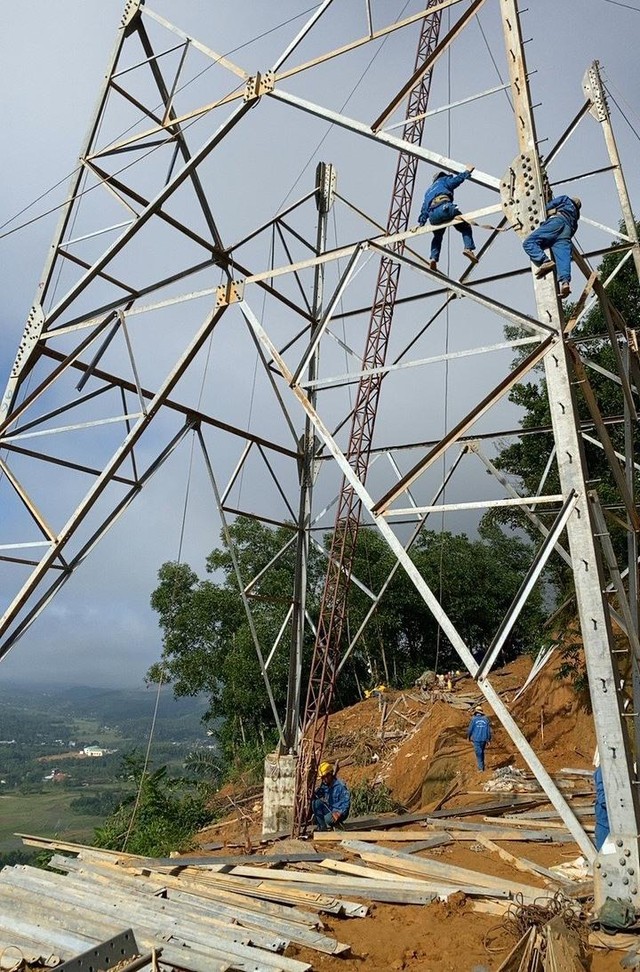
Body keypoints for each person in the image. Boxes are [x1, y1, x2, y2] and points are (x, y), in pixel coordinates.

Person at [418, 165, 478, 272]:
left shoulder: (428, 192)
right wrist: (467, 171)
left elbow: (424, 210)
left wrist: (421, 223)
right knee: (465, 227)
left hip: (433, 215)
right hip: (445, 208)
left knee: (437, 236)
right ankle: (468, 248)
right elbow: (457, 180)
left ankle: (433, 258)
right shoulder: (444, 181)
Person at [522, 195, 581, 299]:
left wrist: (542, 212)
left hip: (557, 222)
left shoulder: (566, 199)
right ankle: (565, 282)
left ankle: (545, 260)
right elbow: (572, 232)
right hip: (566, 232)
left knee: (529, 243)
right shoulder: (575, 220)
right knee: (563, 257)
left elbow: (548, 206)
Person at [312, 761, 351, 831]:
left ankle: (337, 824)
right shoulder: (325, 785)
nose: (323, 780)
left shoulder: (340, 786)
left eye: (324, 777)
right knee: (315, 803)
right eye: (322, 778)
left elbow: (346, 802)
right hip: (330, 809)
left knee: (328, 819)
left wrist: (339, 813)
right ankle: (322, 828)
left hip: (340, 812)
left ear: (329, 775)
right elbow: (320, 794)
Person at [593, 749, 610, 851]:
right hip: (605, 824)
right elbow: (602, 798)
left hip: (615, 823)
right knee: (606, 852)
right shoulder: (602, 771)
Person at [467, 705, 492, 771]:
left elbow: (470, 729)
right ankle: (482, 766)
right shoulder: (486, 719)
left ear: (476, 712)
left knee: (478, 754)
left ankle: (481, 769)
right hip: (484, 739)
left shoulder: (473, 719)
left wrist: (468, 737)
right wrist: (488, 740)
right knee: (482, 752)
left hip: (476, 739)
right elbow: (488, 730)